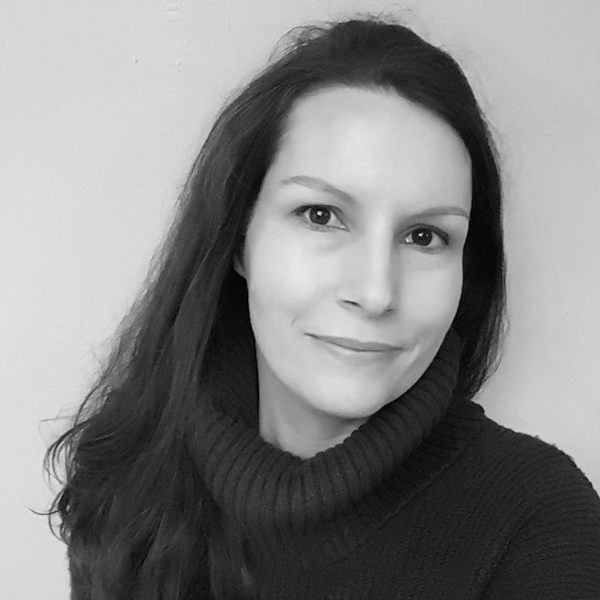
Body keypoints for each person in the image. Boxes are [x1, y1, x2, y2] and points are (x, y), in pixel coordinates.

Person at [47, 16, 600, 600]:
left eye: (424, 237)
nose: (376, 292)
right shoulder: (127, 469)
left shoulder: (539, 524)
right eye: (321, 215)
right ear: (239, 238)